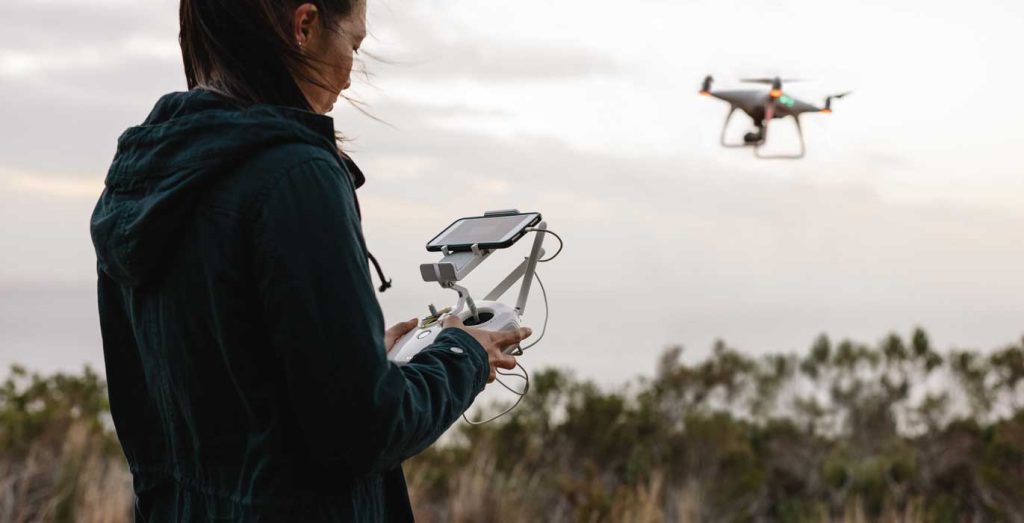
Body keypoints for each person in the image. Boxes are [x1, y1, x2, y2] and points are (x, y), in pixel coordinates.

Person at [89, 0, 530, 520]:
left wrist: (361, 362)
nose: (348, 78)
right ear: (305, 26)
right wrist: (462, 354)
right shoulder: (296, 177)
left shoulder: (143, 181)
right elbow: (363, 430)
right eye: (354, 45)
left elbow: (212, 392)